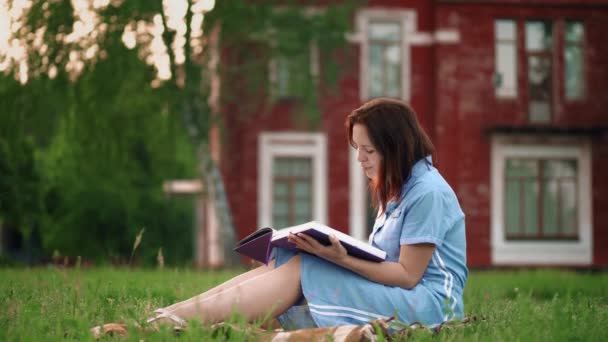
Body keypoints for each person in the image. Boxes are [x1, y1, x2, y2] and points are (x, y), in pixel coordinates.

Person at [139, 97, 468, 331]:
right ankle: (173, 315)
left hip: (431, 306)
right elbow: (387, 261)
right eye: (358, 150)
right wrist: (336, 253)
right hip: (403, 294)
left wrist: (341, 258)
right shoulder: (400, 189)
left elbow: (408, 275)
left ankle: (180, 321)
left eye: (369, 150)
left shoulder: (428, 193)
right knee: (286, 256)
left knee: (310, 264)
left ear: (395, 147)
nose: (361, 160)